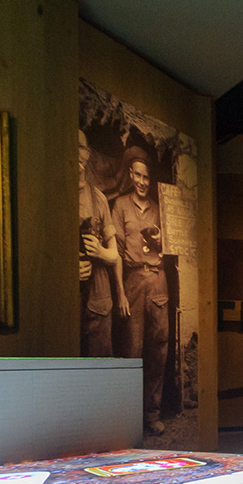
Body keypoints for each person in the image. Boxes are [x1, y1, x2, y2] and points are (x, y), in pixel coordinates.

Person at [112, 145, 169, 436]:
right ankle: (129, 418)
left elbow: (172, 250)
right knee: (132, 350)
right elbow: (117, 254)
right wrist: (120, 293)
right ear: (130, 175)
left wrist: (160, 242)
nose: (142, 182)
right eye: (137, 175)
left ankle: (152, 415)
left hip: (157, 279)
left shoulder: (161, 209)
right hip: (133, 280)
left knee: (157, 349)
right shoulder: (120, 205)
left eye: (146, 177)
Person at [78, 130, 128, 356]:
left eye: (80, 147)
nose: (76, 154)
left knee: (99, 364)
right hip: (66, 297)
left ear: (87, 154)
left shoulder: (97, 198)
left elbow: (114, 254)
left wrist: (99, 251)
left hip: (98, 296)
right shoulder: (53, 196)